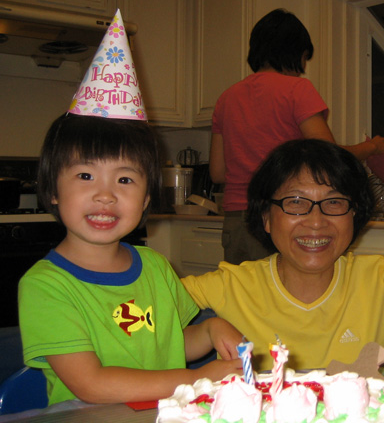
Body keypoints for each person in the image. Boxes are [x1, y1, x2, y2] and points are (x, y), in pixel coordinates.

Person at [183, 138, 384, 372]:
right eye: (296, 202)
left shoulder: (383, 283)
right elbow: (140, 313)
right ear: (266, 217)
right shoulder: (228, 287)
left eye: (334, 202)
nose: (316, 221)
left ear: (355, 215)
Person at [19, 114, 243, 406]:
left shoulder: (155, 266)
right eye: (85, 176)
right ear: (52, 190)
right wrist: (198, 379)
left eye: (125, 179)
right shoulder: (45, 286)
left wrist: (211, 330)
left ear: (146, 199)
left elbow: (169, 343)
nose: (105, 195)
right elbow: (92, 385)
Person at [209, 8, 384, 265]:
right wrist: (372, 147)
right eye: (305, 58)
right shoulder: (297, 90)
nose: (303, 68)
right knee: (285, 302)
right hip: (282, 216)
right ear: (293, 51)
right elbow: (328, 157)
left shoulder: (226, 99)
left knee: (241, 301)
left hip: (237, 222)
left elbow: (218, 173)